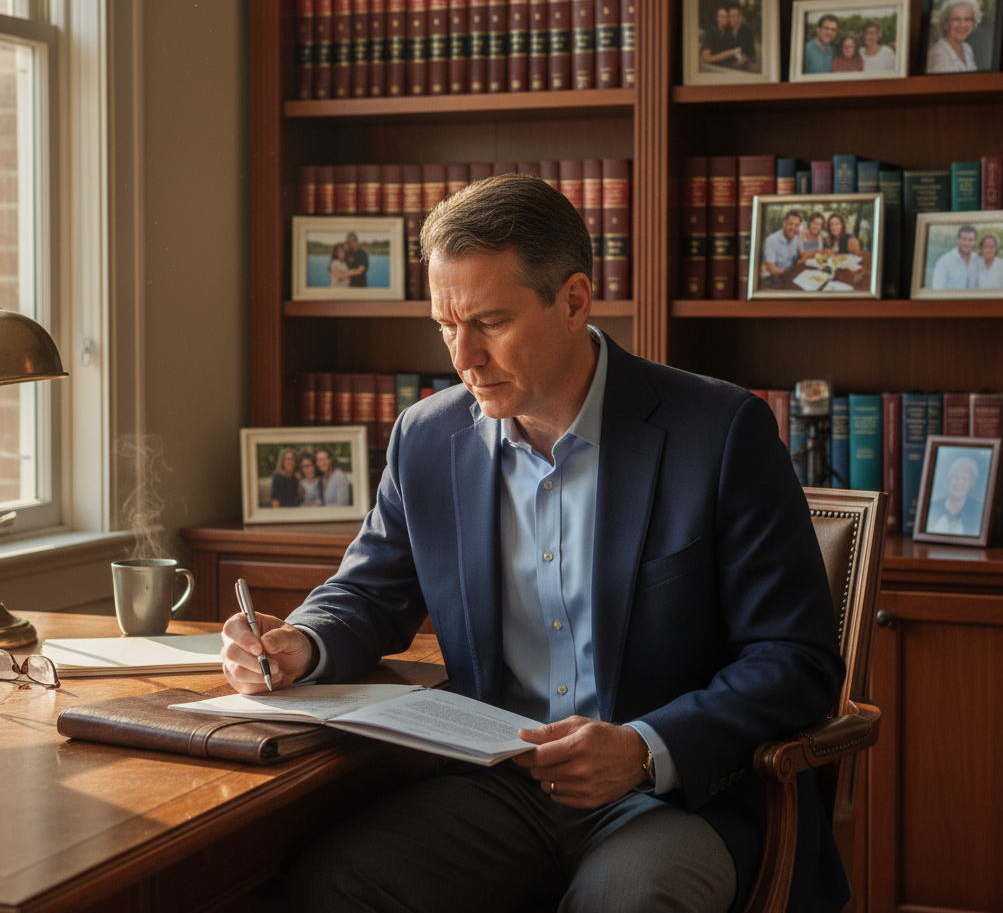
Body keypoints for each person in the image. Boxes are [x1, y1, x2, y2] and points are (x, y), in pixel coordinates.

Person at [222, 174, 848, 913]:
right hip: (500, 787)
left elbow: (795, 660)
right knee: (337, 884)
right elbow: (368, 591)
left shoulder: (718, 432)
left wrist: (644, 747)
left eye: (488, 322)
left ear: (575, 300)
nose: (463, 358)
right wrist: (303, 640)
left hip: (677, 799)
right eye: (445, 326)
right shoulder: (427, 438)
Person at [926, 454, 984, 536]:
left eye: (965, 479)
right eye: (955, 477)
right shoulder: (933, 506)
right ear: (949, 479)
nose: (959, 483)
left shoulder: (979, 510)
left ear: (971, 483)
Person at [926, 0, 981, 74]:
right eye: (956, 19)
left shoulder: (967, 48)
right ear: (945, 23)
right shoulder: (939, 55)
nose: (963, 25)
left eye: (968, 19)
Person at [931, 224, 981, 289]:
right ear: (958, 240)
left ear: (974, 241)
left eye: (970, 240)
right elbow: (937, 291)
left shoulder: (978, 260)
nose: (967, 243)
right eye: (964, 239)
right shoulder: (944, 262)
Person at [762, 208, 803, 278]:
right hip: (775, 279)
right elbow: (772, 270)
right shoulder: (771, 240)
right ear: (784, 223)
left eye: (796, 225)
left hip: (791, 275)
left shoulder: (796, 238)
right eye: (790, 224)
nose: (793, 227)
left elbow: (796, 259)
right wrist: (790, 273)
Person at [727, 4, 756, 69]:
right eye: (731, 16)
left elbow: (751, 55)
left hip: (743, 67)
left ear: (741, 17)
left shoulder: (748, 31)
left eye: (736, 16)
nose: (734, 19)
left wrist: (746, 59)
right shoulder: (726, 31)